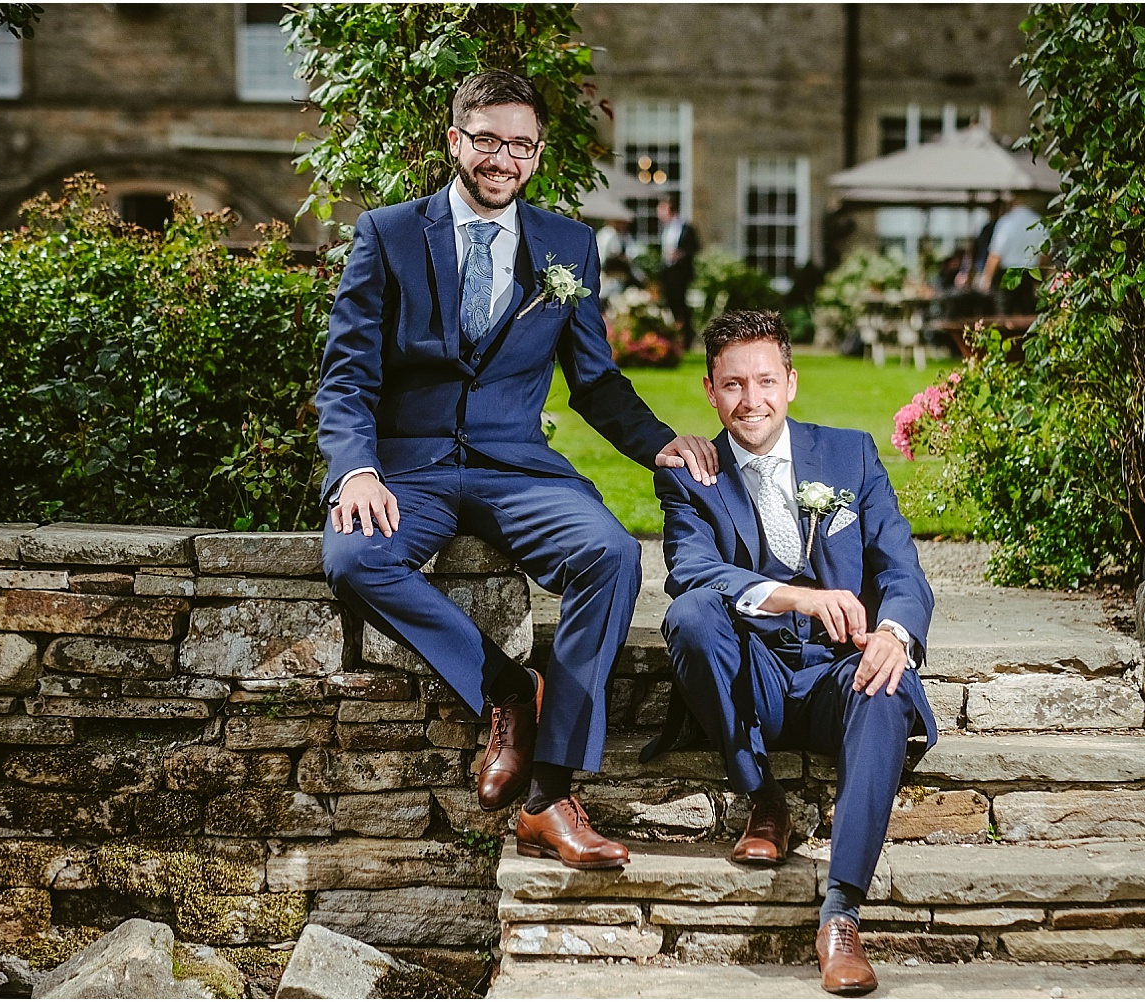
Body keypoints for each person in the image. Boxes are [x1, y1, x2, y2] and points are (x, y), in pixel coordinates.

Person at [317, 70, 719, 872]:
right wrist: (356, 470)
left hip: (517, 467)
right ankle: (507, 690)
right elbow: (348, 373)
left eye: (521, 145)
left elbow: (595, 379)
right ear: (456, 140)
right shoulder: (389, 232)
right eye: (489, 140)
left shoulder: (568, 245)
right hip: (410, 468)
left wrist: (659, 441)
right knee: (355, 557)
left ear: (536, 155)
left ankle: (549, 797)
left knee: (609, 553)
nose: (504, 158)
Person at [647, 310, 938, 996]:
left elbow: (902, 571)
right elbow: (692, 572)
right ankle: (764, 798)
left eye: (766, 381)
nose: (752, 401)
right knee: (689, 616)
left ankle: (841, 916)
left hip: (843, 671)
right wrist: (794, 597)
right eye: (733, 385)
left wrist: (895, 633)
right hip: (759, 678)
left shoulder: (850, 454)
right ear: (711, 392)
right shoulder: (692, 477)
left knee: (888, 683)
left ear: (792, 382)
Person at [977, 193, 1045, 314]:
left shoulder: (1006, 222)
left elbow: (996, 254)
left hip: (1007, 273)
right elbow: (1045, 253)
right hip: (1029, 273)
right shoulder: (1038, 220)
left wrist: (987, 278)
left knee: (1005, 315)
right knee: (1027, 315)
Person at [656, 195, 700, 348]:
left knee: (681, 306)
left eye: (662, 209)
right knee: (669, 305)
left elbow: (694, 248)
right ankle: (672, 338)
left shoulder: (686, 228)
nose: (659, 213)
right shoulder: (665, 229)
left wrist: (680, 254)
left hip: (681, 274)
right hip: (667, 273)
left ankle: (686, 339)